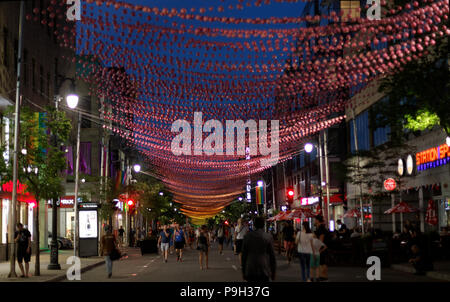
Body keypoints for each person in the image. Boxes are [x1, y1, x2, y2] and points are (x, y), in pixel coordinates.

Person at [241, 216, 276, 282]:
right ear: (263, 225)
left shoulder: (247, 237)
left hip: (250, 267)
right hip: (264, 267)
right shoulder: (268, 237)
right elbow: (272, 256)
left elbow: (244, 255)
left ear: (254, 225)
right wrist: (273, 272)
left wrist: (243, 272)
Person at [314, 215, 330, 281]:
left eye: (315, 220)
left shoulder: (321, 228)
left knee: (322, 262)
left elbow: (321, 239)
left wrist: (319, 248)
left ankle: (323, 276)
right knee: (322, 262)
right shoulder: (321, 227)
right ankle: (323, 276)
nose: (314, 221)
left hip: (323, 248)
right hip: (324, 247)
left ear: (317, 220)